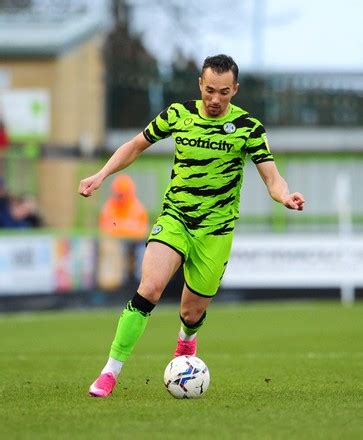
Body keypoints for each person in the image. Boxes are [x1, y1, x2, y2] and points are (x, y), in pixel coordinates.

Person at [79, 54, 305, 397]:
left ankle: (186, 341)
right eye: (210, 90)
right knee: (150, 288)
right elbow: (135, 145)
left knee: (191, 311)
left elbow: (272, 178)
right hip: (176, 218)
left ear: (235, 90)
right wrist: (101, 174)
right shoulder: (178, 114)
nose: (215, 99)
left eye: (224, 92)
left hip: (215, 231)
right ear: (200, 84)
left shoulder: (248, 129)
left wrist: (285, 197)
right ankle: (110, 372)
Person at [99, 174, 148, 239]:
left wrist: (120, 226)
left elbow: (143, 230)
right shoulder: (109, 207)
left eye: (123, 194)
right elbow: (105, 229)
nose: (121, 198)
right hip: (115, 242)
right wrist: (127, 226)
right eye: (118, 194)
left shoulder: (138, 208)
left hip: (133, 243)